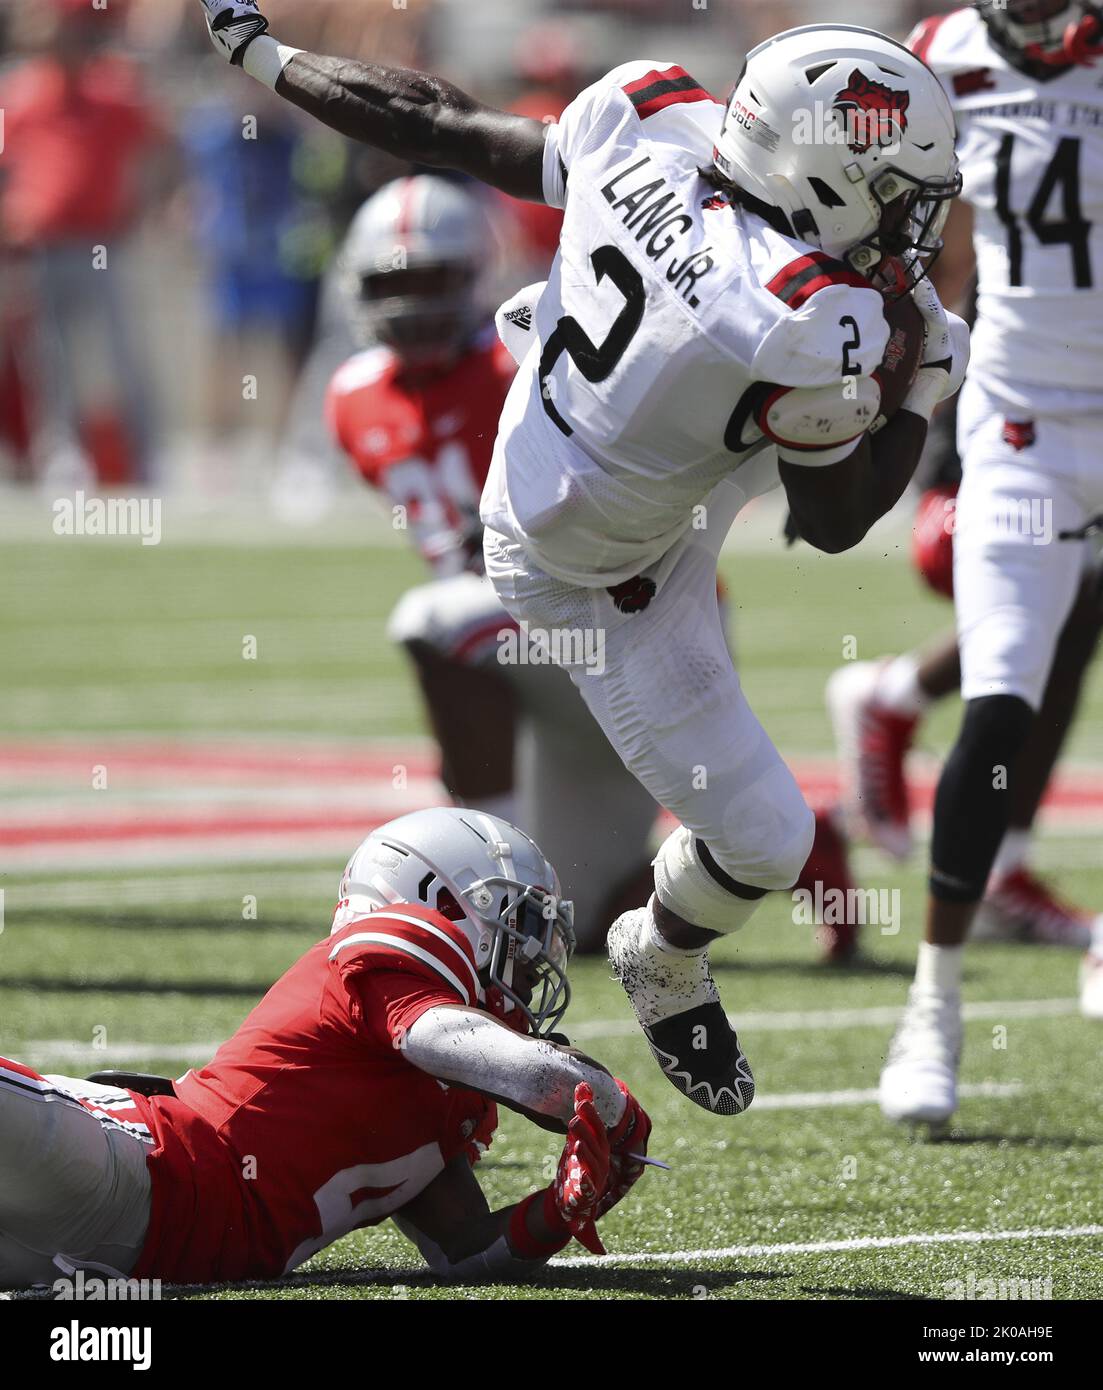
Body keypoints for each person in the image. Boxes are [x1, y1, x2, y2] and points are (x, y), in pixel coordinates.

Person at [196, 4, 969, 1114]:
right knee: (764, 841)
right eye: (895, 195)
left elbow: (439, 121)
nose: (909, 225)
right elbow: (838, 517)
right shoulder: (801, 314)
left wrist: (266, 54)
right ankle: (659, 952)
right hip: (587, 564)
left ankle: (661, 943)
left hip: (630, 439)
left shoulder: (653, 118)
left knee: (803, 395)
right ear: (821, 173)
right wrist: (922, 381)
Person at [0, 808, 650, 1287]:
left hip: (133, 1260)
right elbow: (469, 1048)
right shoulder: (399, 955)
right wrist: (610, 1106)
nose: (538, 962)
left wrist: (560, 1210)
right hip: (145, 1167)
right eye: (524, 923)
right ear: (440, 903)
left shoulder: (454, 1101)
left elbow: (464, 1253)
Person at [865, 0, 1103, 1127]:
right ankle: (934, 1004)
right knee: (998, 707)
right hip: (1016, 430)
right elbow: (886, 219)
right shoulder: (939, 52)